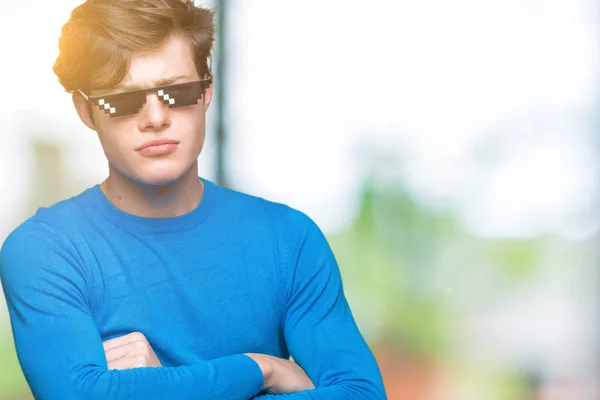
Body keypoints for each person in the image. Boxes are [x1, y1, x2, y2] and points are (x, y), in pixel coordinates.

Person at [0, 0, 387, 399]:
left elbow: (362, 394)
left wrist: (158, 386)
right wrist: (263, 369)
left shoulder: (288, 239)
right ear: (85, 110)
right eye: (123, 100)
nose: (154, 118)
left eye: (177, 92)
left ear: (206, 91)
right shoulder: (46, 250)